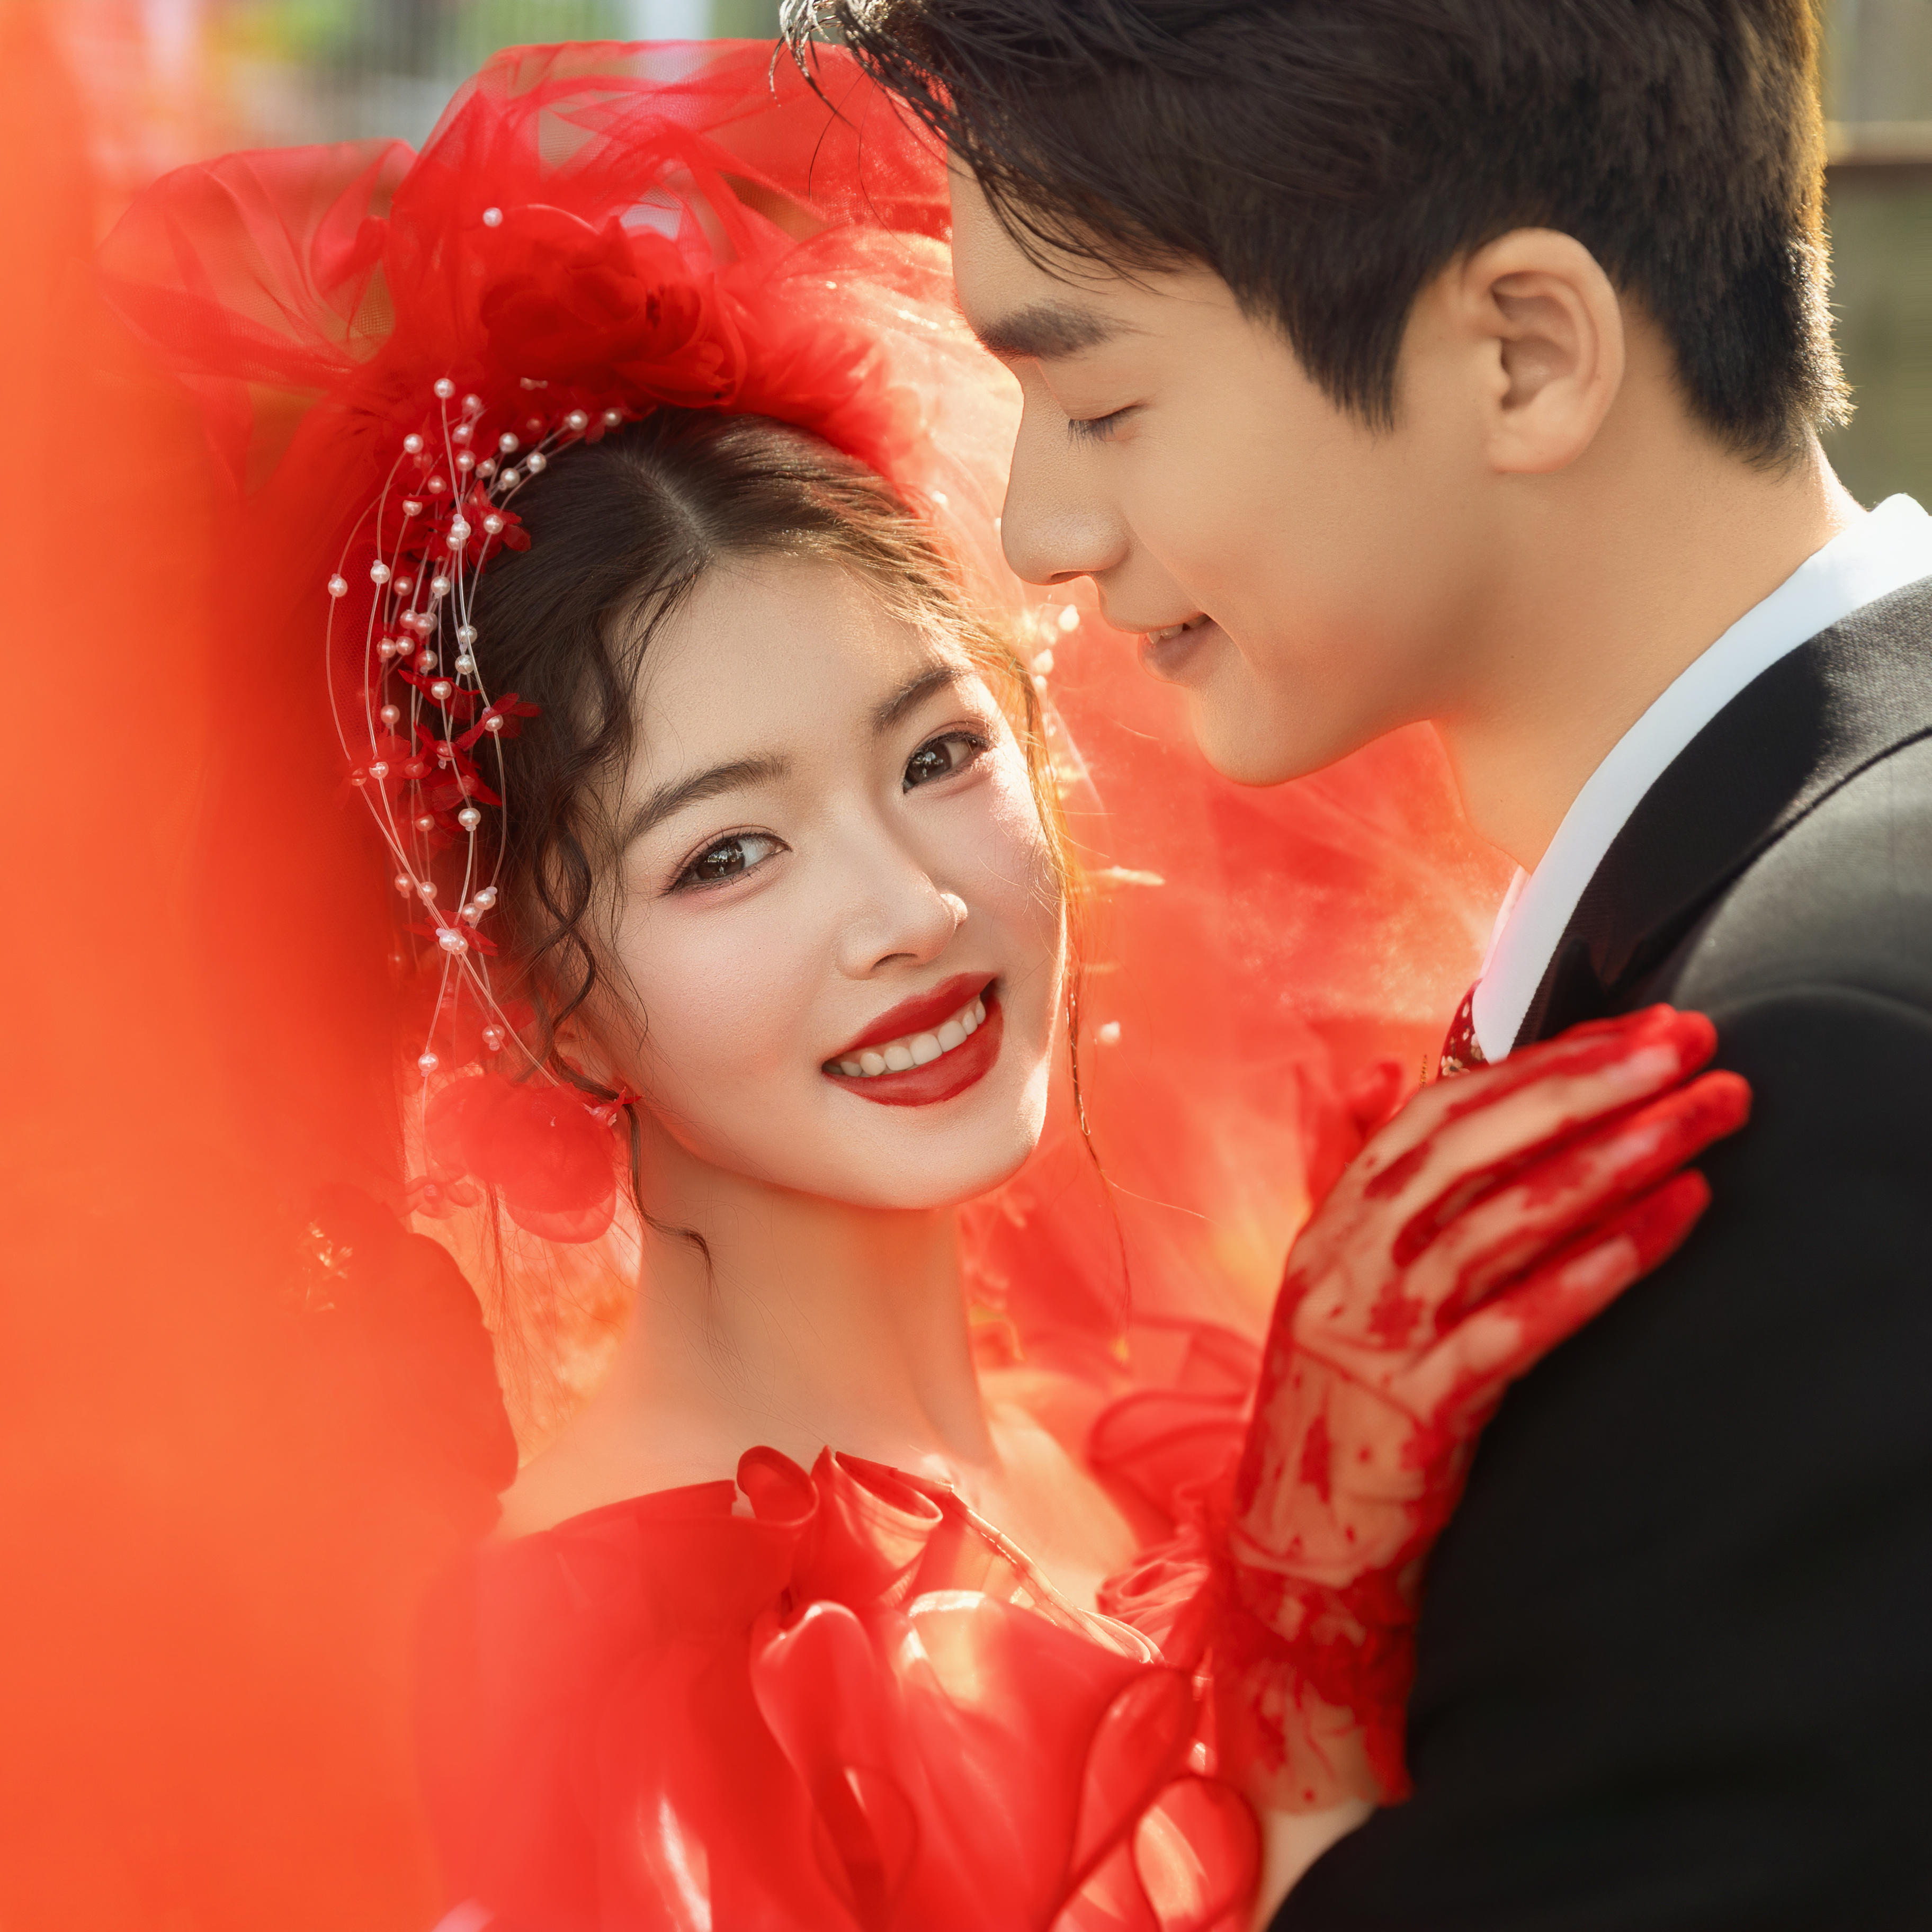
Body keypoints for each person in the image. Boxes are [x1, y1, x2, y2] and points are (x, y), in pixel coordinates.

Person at [89, 35, 1741, 1932]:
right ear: (533, 996)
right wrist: (1302, 1678)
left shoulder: (1148, 1441)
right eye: (725, 854)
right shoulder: (605, 1677)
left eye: (940, 756)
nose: (908, 906)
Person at [791, 1, 1932, 1926]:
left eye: (1103, 407)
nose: (1037, 530)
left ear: (1522, 352)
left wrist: (1306, 1753)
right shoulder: (1777, 910)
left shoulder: (1800, 1085)